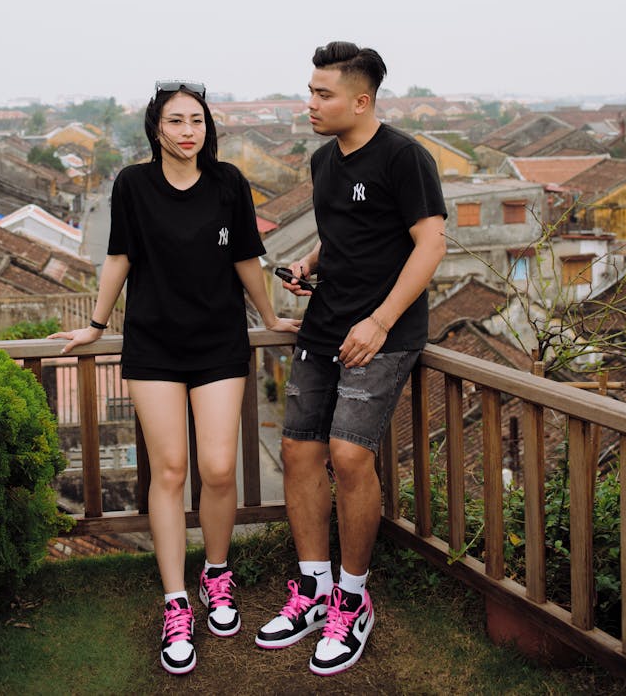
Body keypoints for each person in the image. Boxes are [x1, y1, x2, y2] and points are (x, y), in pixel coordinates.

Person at [49, 81, 300, 676]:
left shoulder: (229, 183)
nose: (188, 131)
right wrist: (94, 323)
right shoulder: (133, 184)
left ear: (207, 127)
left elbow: (246, 257)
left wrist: (268, 317)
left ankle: (217, 575)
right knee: (169, 470)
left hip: (218, 341)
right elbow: (119, 257)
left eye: (197, 120)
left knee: (217, 467)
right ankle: (175, 602)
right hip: (154, 344)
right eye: (176, 121)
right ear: (155, 129)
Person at [255, 43, 447, 676]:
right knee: (300, 450)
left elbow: (430, 244)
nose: (309, 104)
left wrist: (380, 319)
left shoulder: (404, 156)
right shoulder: (323, 161)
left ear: (361, 100)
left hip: (381, 334)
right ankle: (312, 587)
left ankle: (353, 599)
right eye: (310, 92)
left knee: (348, 455)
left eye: (322, 94)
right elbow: (344, 233)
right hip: (324, 324)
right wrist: (312, 262)